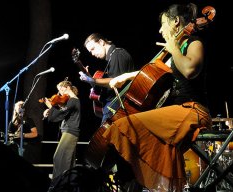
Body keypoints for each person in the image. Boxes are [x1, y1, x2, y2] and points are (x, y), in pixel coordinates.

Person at [101, 3, 212, 191]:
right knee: (138, 143)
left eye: (163, 24)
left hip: (193, 111)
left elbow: (189, 69)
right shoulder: (177, 50)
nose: (160, 30)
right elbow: (156, 71)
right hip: (174, 114)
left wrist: (173, 46)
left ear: (176, 21)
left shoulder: (194, 43)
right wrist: (126, 76)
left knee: (123, 127)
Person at [79, 33, 137, 124]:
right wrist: (90, 78)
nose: (93, 54)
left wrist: (92, 80)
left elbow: (116, 81)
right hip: (111, 107)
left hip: (116, 107)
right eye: (90, 52)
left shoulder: (118, 54)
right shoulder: (111, 58)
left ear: (101, 42)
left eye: (93, 49)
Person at [42, 80, 81, 181]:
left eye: (61, 90)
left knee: (59, 158)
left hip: (70, 132)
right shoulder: (70, 101)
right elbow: (61, 112)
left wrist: (50, 107)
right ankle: (68, 184)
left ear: (67, 88)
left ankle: (58, 184)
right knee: (69, 162)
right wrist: (50, 110)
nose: (60, 93)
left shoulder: (73, 100)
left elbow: (60, 114)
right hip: (69, 132)